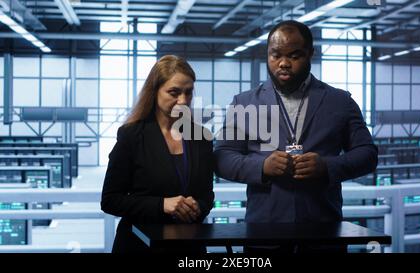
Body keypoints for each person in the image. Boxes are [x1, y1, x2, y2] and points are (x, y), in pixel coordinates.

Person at [214, 20, 378, 253]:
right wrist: (262, 167)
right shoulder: (244, 103)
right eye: (275, 55)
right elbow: (222, 157)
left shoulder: (341, 101)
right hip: (264, 238)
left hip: (324, 237)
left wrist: (327, 167)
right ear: (267, 55)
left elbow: (367, 154)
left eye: (294, 55)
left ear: (311, 53)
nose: (283, 63)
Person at [101, 55, 214, 253]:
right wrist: (161, 205)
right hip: (140, 245)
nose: (183, 100)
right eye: (174, 92)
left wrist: (198, 207)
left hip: (188, 247)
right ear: (154, 91)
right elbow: (110, 200)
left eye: (188, 93)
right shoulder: (132, 136)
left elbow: (207, 194)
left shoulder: (201, 137)